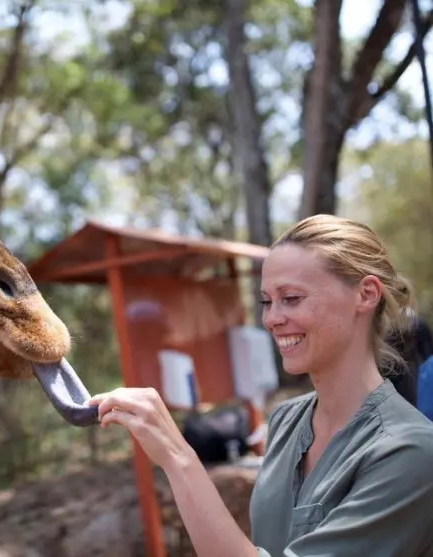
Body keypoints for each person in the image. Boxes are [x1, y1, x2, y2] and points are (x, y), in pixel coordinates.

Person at [88, 214, 433, 557]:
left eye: (292, 298)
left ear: (366, 294)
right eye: (267, 301)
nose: (271, 319)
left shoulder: (409, 452)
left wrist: (178, 457)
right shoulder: (286, 421)